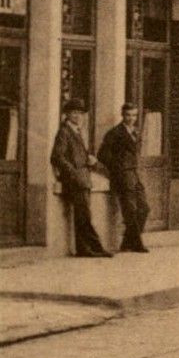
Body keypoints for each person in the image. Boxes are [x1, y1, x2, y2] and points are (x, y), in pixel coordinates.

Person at [50, 100, 110, 258]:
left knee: (83, 216)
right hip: (76, 180)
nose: (78, 116)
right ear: (67, 114)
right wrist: (73, 173)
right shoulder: (64, 132)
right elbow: (57, 157)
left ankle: (86, 249)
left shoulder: (76, 131)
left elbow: (75, 155)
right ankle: (95, 248)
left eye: (81, 113)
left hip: (83, 179)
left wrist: (89, 160)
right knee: (84, 216)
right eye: (74, 113)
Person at [97, 102, 150, 254]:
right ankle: (137, 244)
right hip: (122, 176)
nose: (131, 118)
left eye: (134, 115)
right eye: (128, 115)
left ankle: (128, 242)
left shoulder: (135, 132)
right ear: (122, 115)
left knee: (144, 208)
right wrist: (118, 167)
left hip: (133, 174)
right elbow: (102, 155)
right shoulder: (115, 133)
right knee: (130, 210)